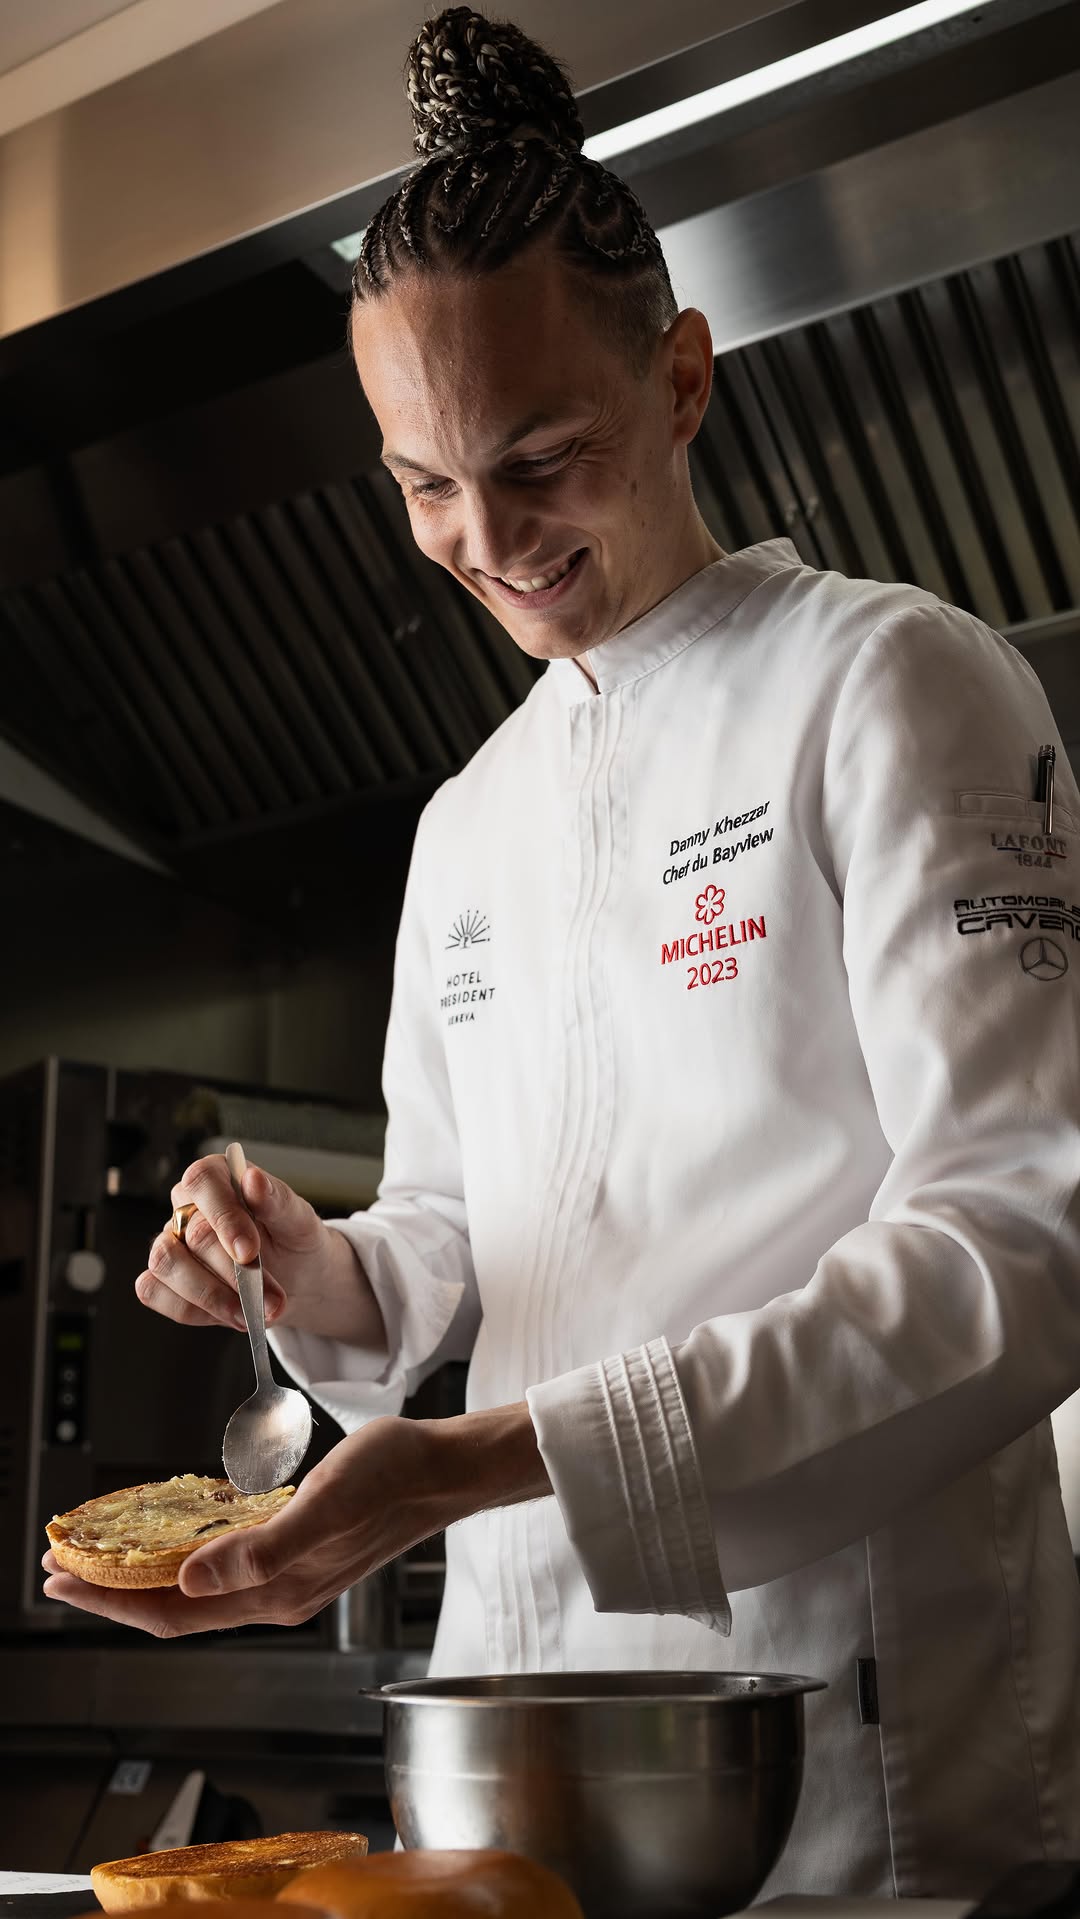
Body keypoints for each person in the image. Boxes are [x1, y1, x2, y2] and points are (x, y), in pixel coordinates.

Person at [44, 6, 1080, 1898]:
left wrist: (472, 1460)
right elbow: (463, 1230)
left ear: (682, 379)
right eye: (424, 483)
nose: (487, 538)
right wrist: (318, 1270)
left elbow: (1017, 1241)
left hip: (850, 1742)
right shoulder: (469, 821)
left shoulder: (886, 682)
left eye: (539, 456)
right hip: (514, 1727)